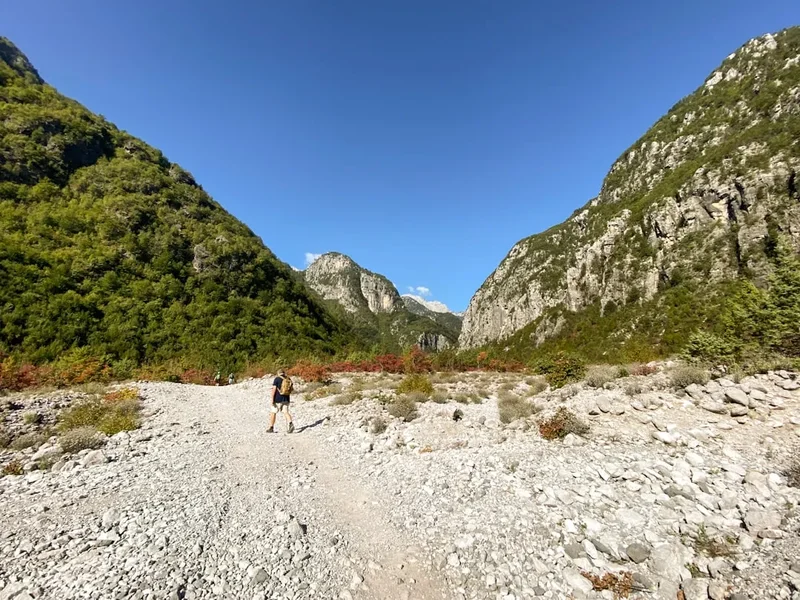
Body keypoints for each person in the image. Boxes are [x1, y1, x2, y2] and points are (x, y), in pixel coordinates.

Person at [267, 368, 294, 433]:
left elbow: (274, 390)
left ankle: (271, 427)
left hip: (277, 399)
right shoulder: (288, 379)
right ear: (284, 373)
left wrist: (272, 399)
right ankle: (290, 423)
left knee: (273, 412)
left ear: (278, 373)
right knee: (285, 412)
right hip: (286, 399)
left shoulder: (277, 379)